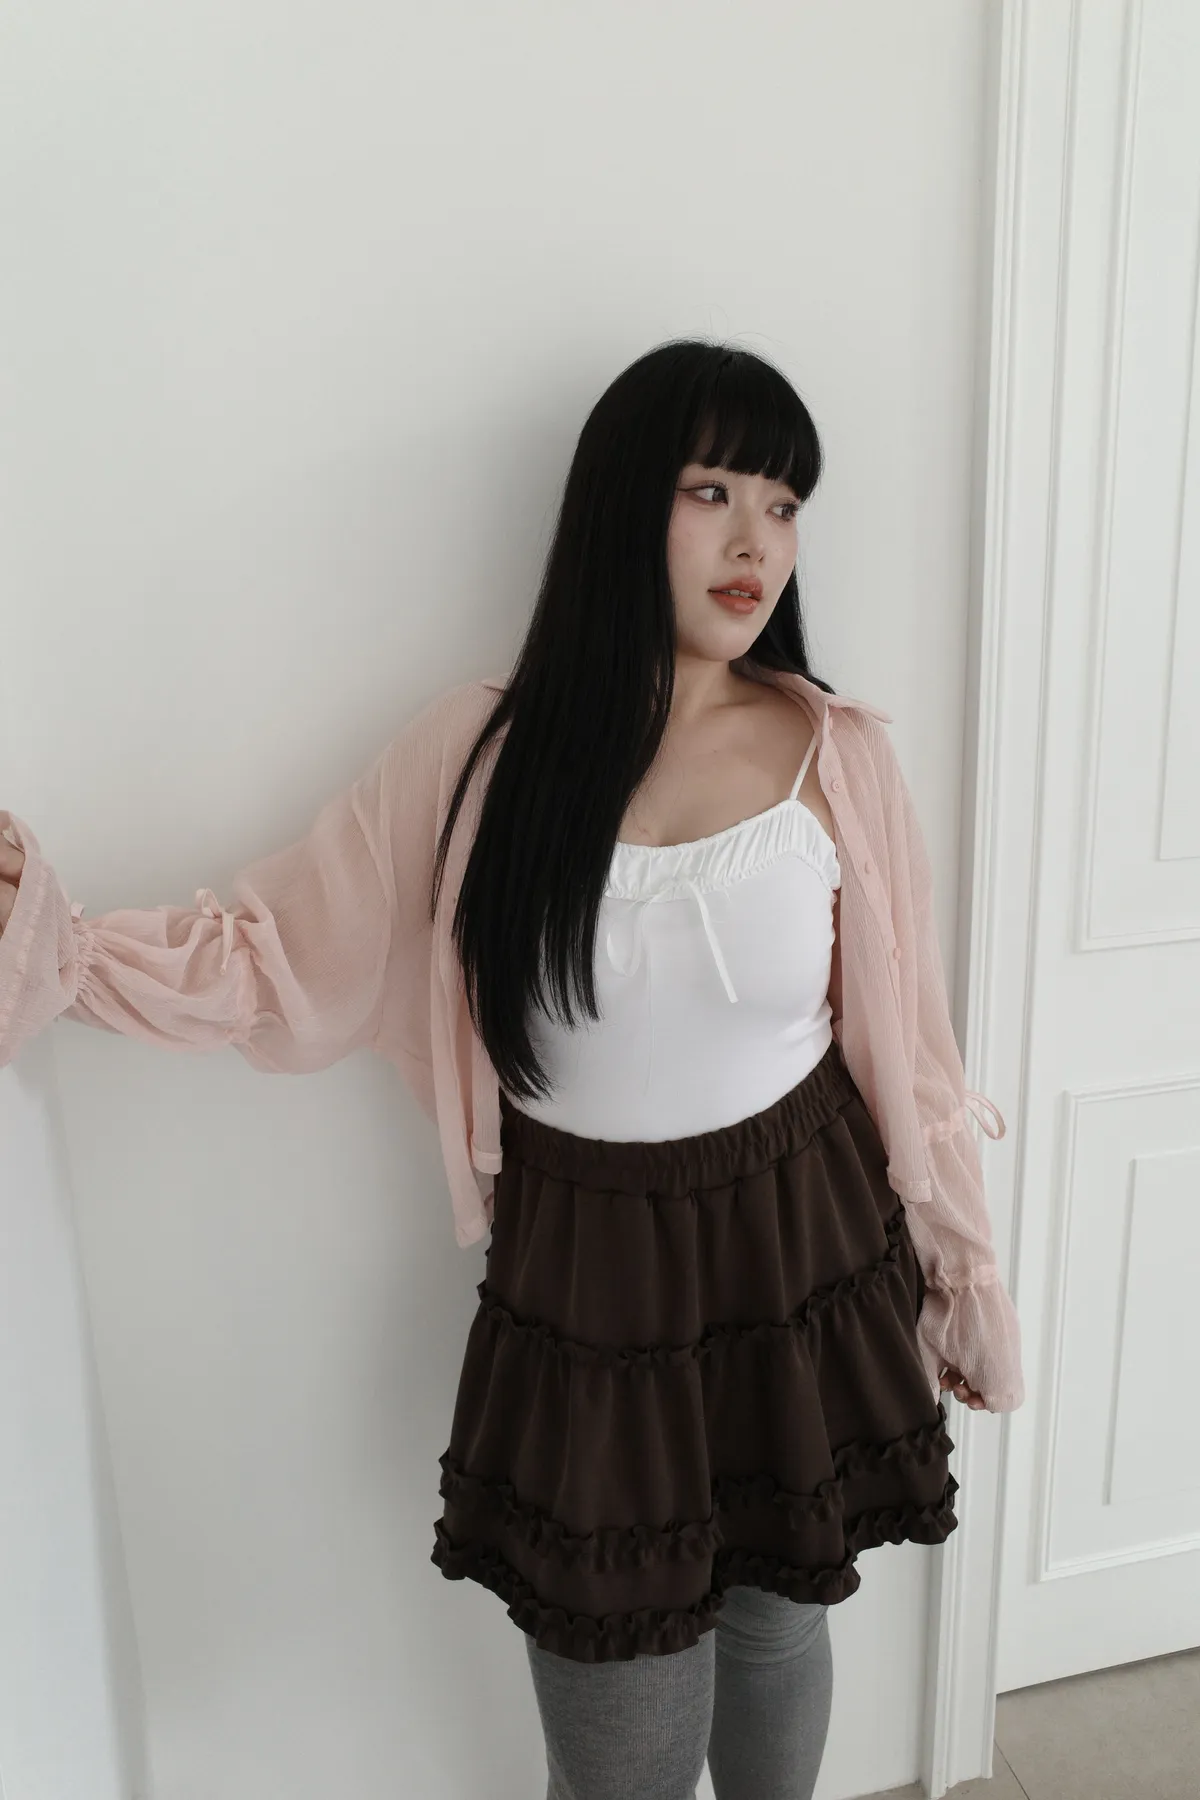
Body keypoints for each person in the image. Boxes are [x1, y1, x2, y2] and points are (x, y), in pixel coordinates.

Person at [0, 339, 1023, 1800]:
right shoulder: (480, 754)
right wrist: (57, 943)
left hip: (802, 1242)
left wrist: (964, 1275)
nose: (756, 541)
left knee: (778, 1622)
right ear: (621, 503)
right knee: (620, 1720)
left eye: (786, 504)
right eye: (712, 491)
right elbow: (281, 953)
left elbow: (910, 1052)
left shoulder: (831, 752)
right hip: (590, 1272)